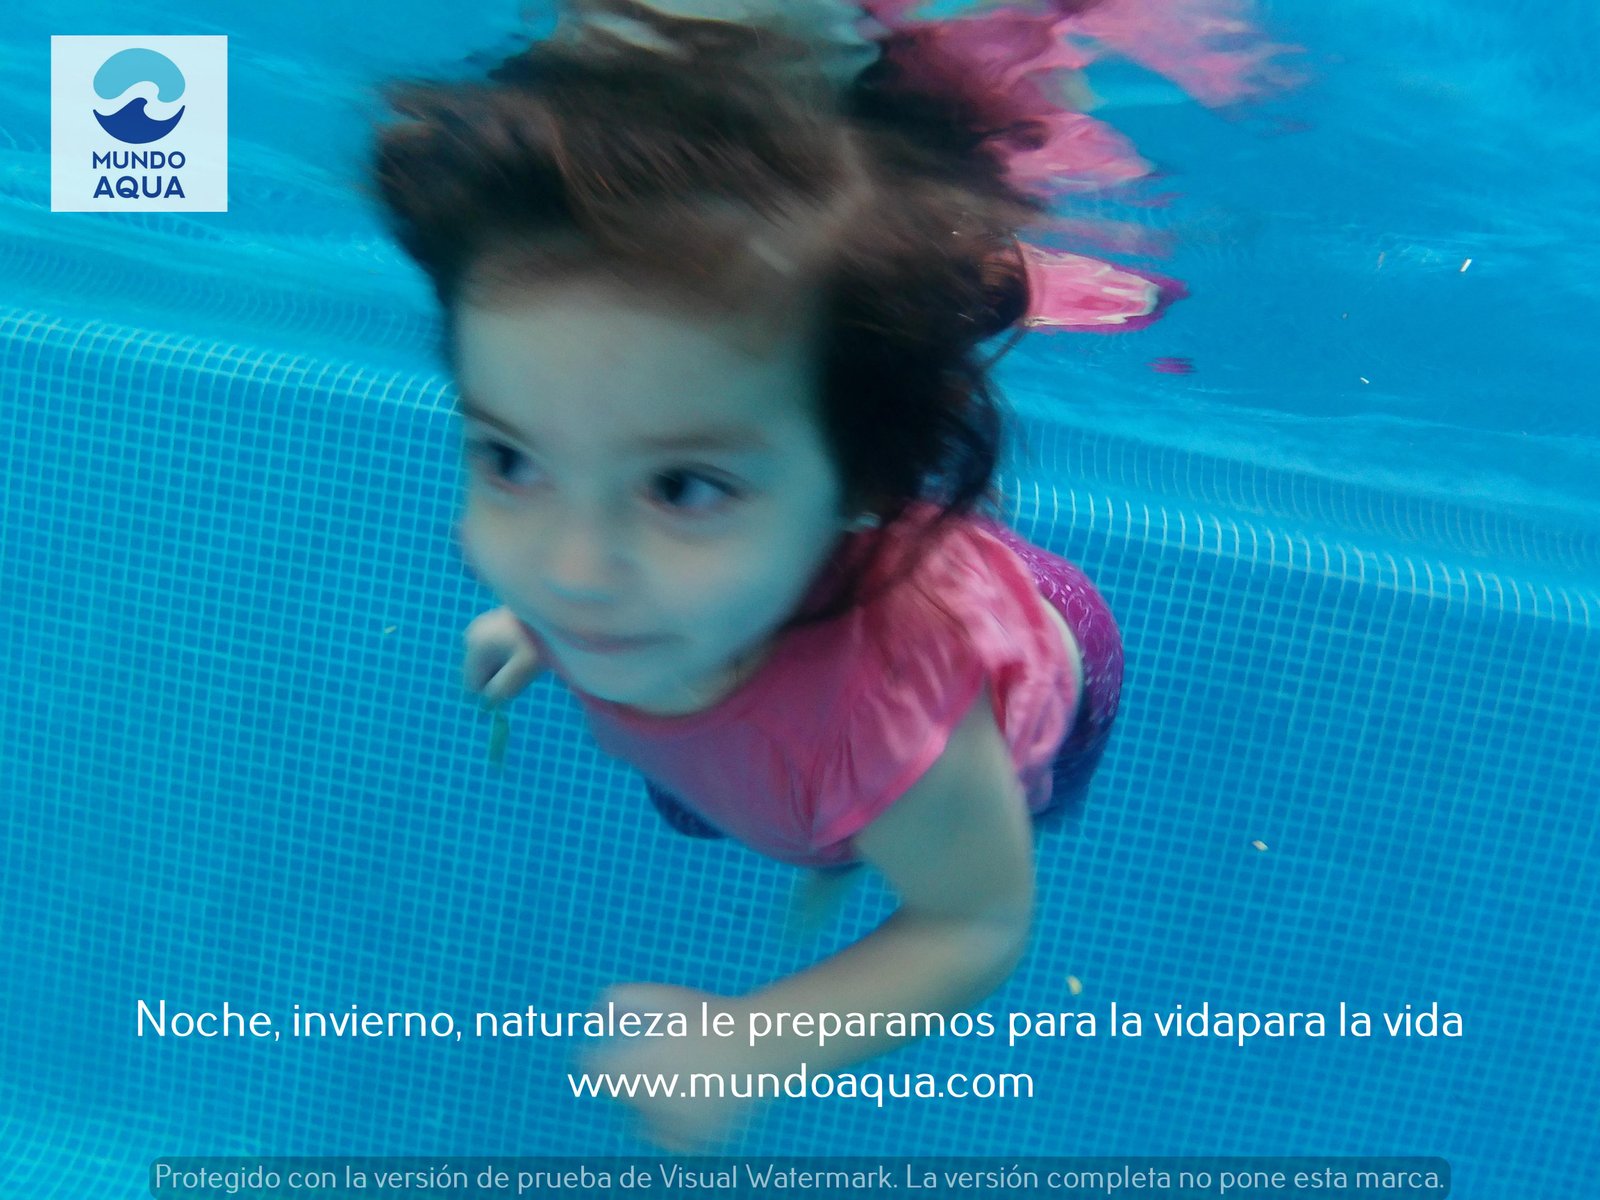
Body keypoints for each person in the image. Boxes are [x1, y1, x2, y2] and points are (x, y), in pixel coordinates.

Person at [370, 0, 1126, 1150]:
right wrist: (531, 632)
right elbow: (586, 564)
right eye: (511, 458)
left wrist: (755, 1044)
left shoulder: (890, 722)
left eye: (681, 487)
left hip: (1051, 652)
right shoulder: (629, 588)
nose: (569, 574)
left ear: (856, 486)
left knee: (989, 817)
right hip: (791, 626)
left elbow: (973, 920)